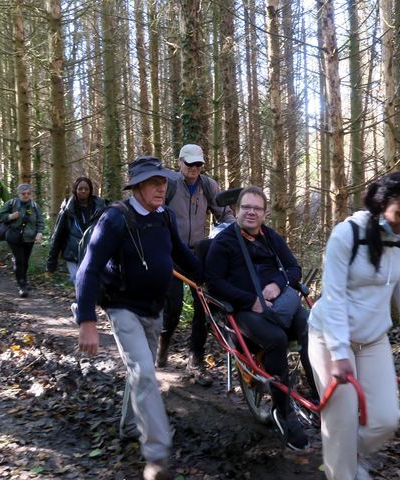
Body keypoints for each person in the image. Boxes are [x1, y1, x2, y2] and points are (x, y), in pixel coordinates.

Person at [307, 172, 400, 480]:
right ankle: (342, 469)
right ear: (382, 205)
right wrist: (341, 353)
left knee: (385, 420)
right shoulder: (346, 234)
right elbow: (333, 298)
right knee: (340, 423)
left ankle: (348, 453)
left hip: (373, 340)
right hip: (329, 338)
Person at [75, 156, 203, 480]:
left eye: (163, 182)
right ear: (137, 186)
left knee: (140, 372)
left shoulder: (165, 217)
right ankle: (157, 455)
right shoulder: (115, 219)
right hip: (123, 308)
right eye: (153, 183)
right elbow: (88, 270)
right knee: (145, 373)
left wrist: (211, 281)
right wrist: (87, 322)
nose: (161, 187)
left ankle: (130, 425)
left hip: (153, 309)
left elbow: (183, 257)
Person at [205, 185, 315, 451]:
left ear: (265, 213)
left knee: (312, 327)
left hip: (280, 305)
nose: (251, 213)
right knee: (276, 339)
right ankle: (283, 411)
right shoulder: (224, 242)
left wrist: (278, 284)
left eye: (257, 208)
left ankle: (318, 394)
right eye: (246, 207)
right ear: (236, 210)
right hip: (244, 309)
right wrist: (250, 300)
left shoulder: (271, 237)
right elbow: (214, 282)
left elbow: (293, 268)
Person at [157, 144, 235, 380]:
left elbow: (225, 213)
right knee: (173, 308)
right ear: (179, 162)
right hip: (171, 253)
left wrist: (230, 232)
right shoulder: (169, 184)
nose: (194, 168)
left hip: (198, 254)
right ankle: (163, 343)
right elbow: (155, 212)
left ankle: (196, 358)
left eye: (198, 164)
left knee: (204, 304)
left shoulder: (208, 185)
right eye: (189, 163)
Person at [46, 176, 106, 284]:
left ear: (90, 190)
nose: (83, 191)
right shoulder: (67, 210)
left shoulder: (100, 207)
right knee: (78, 282)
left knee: (91, 283)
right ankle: (80, 300)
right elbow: (58, 235)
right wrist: (51, 262)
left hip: (92, 254)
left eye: (86, 189)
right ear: (75, 190)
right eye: (80, 188)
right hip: (73, 255)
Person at [0, 184, 44, 297]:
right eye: (23, 193)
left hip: (29, 238)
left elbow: (40, 221)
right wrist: (10, 216)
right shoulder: (11, 204)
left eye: (28, 193)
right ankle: (21, 285)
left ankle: (24, 280)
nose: (26, 195)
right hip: (14, 236)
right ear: (18, 194)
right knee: (19, 260)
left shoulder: (35, 206)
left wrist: (39, 233)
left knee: (25, 261)